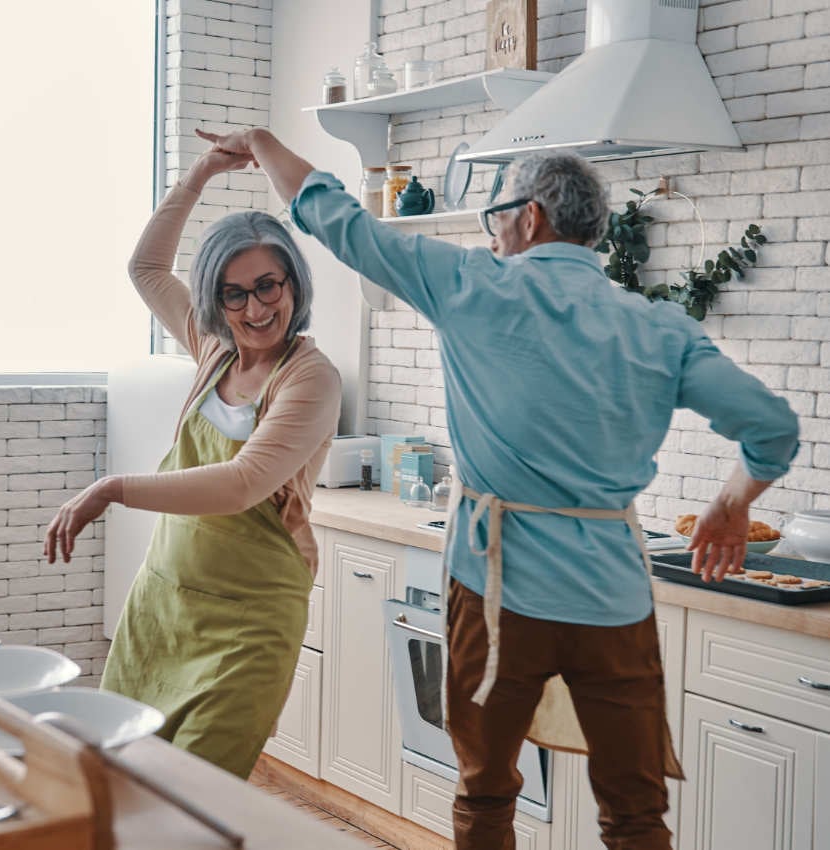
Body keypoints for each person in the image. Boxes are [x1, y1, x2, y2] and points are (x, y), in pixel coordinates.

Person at [194, 126, 799, 848]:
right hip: (612, 599)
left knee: (485, 793)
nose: (491, 232)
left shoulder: (471, 285)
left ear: (530, 216)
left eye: (496, 214)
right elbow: (773, 429)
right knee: (635, 811)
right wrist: (731, 505)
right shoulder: (657, 327)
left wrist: (263, 143)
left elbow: (337, 218)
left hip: (495, 592)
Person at [43, 144, 341, 779]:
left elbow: (242, 484)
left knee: (194, 793)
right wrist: (200, 173)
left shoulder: (309, 378)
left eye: (268, 285)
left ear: (293, 283)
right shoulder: (214, 349)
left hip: (249, 623)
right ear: (215, 300)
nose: (256, 310)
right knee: (121, 779)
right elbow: (147, 267)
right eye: (234, 294)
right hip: (163, 603)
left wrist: (112, 488)